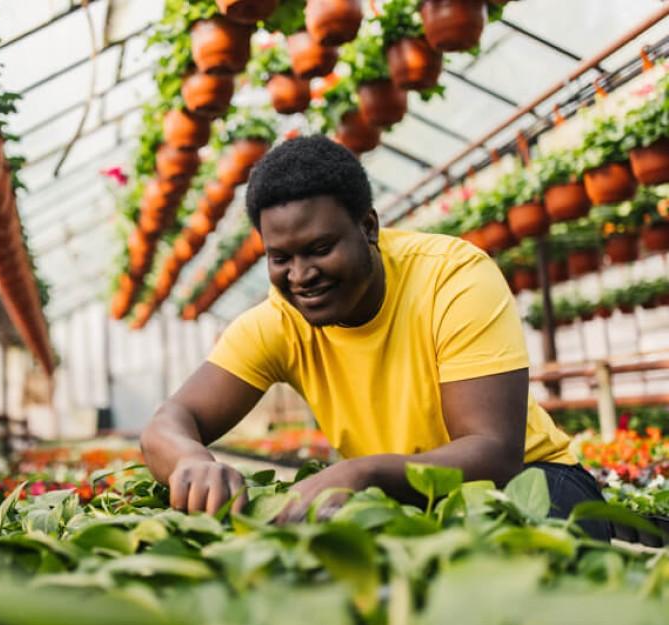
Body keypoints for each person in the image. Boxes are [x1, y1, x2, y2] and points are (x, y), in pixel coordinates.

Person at [140, 135, 610, 540]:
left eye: (320, 249)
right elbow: (170, 422)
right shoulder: (279, 322)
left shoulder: (454, 277)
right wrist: (189, 462)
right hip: (403, 499)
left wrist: (359, 473)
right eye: (281, 257)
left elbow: (492, 452)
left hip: (532, 483)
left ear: (368, 227)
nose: (301, 275)